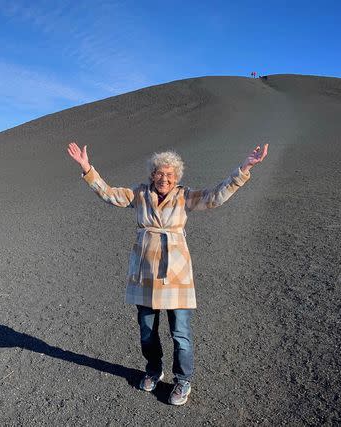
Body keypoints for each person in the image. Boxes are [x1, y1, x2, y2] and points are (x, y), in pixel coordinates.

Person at [66, 141, 268, 405]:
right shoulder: (139, 195)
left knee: (180, 333)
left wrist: (244, 168)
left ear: (177, 178)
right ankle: (153, 370)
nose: (164, 179)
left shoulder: (185, 196)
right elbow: (109, 193)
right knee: (147, 331)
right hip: (145, 274)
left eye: (170, 175)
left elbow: (216, 195)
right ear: (152, 175)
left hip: (177, 276)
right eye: (160, 174)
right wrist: (87, 168)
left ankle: (183, 381)